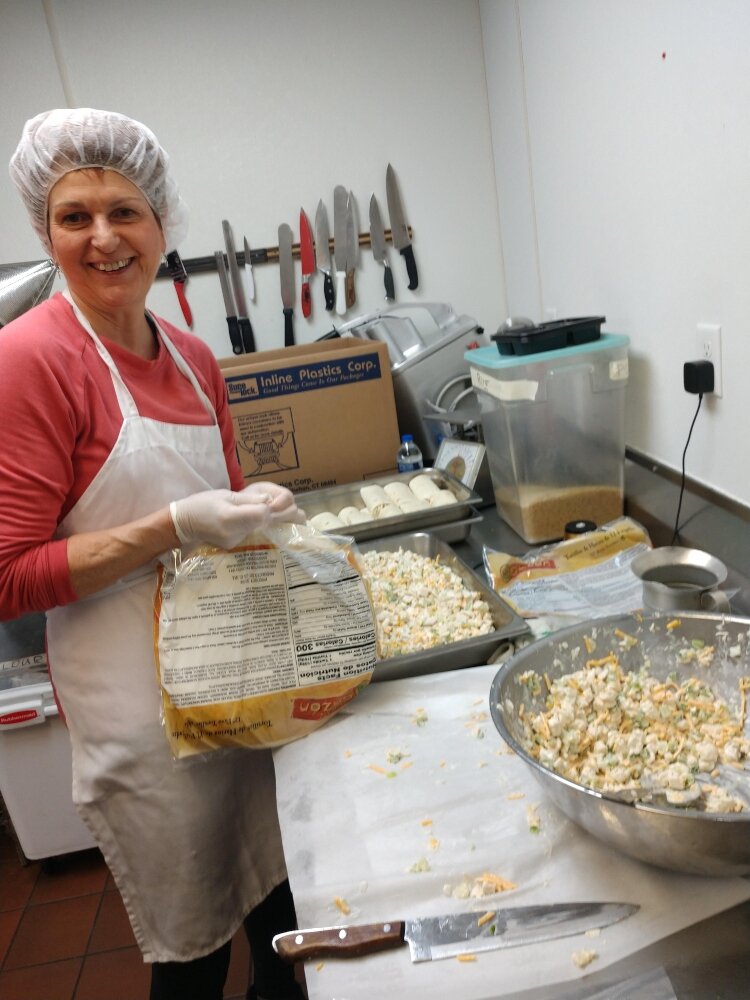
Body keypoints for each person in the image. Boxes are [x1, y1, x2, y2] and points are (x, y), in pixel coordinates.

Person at [1, 108, 307, 1000]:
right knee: (194, 952)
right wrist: (172, 526)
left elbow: (229, 509)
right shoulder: (29, 360)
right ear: (46, 233)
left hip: (240, 686)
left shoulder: (196, 357)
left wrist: (259, 512)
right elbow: (8, 577)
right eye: (75, 216)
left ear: (162, 223)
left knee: (283, 919)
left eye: (124, 212)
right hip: (143, 724)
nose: (103, 237)